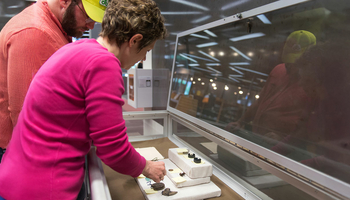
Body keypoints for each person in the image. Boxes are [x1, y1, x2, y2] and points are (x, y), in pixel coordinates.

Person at [0, 0, 167, 199]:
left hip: (18, 175)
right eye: (146, 51)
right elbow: (113, 148)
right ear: (134, 40)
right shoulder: (104, 64)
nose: (142, 59)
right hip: (45, 186)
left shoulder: (80, 49)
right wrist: (146, 166)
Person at [0, 0, 105, 159]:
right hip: (24, 153)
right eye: (88, 17)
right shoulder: (35, 32)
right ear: (65, 1)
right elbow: (26, 116)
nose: (91, 26)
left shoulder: (57, 27)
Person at [226, 30, 317, 146]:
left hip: (284, 148)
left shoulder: (311, 82)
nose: (290, 65)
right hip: (258, 139)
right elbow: (260, 102)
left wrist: (285, 139)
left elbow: (309, 123)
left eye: (295, 62)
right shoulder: (278, 70)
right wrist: (240, 122)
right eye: (288, 61)